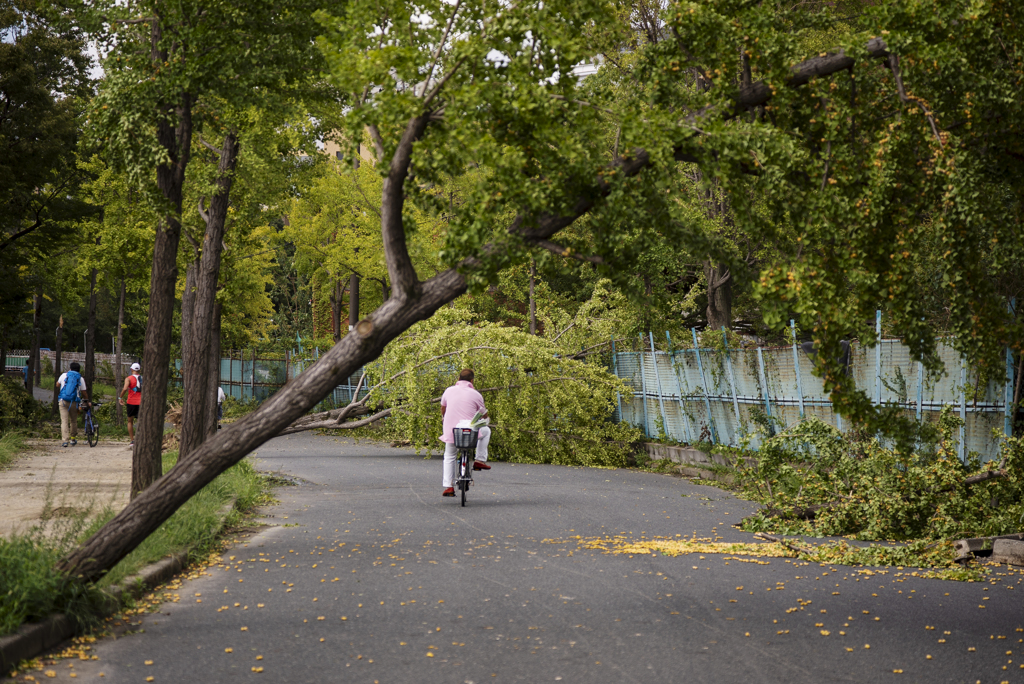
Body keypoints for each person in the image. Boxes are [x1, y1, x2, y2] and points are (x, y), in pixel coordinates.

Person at [439, 369, 492, 498]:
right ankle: (480, 459)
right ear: (472, 381)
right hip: (470, 432)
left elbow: (443, 409)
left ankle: (448, 486)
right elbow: (484, 414)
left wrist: (445, 419)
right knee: (486, 430)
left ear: (458, 379)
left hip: (453, 432)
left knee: (450, 455)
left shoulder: (448, 391)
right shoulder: (476, 394)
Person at [56, 362, 90, 448]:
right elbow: (84, 392)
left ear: (70, 368)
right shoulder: (80, 378)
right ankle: (73, 439)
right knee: (73, 420)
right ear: (79, 369)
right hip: (74, 401)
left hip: (63, 400)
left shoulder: (64, 375)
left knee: (64, 420)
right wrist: (87, 400)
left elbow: (57, 384)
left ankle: (65, 441)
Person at [119, 362, 142, 445]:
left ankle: (132, 440)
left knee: (130, 421)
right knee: (140, 421)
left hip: (131, 402)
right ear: (139, 370)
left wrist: (120, 397)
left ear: (131, 369)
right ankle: (140, 439)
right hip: (141, 402)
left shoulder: (128, 378)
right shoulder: (143, 378)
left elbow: (125, 388)